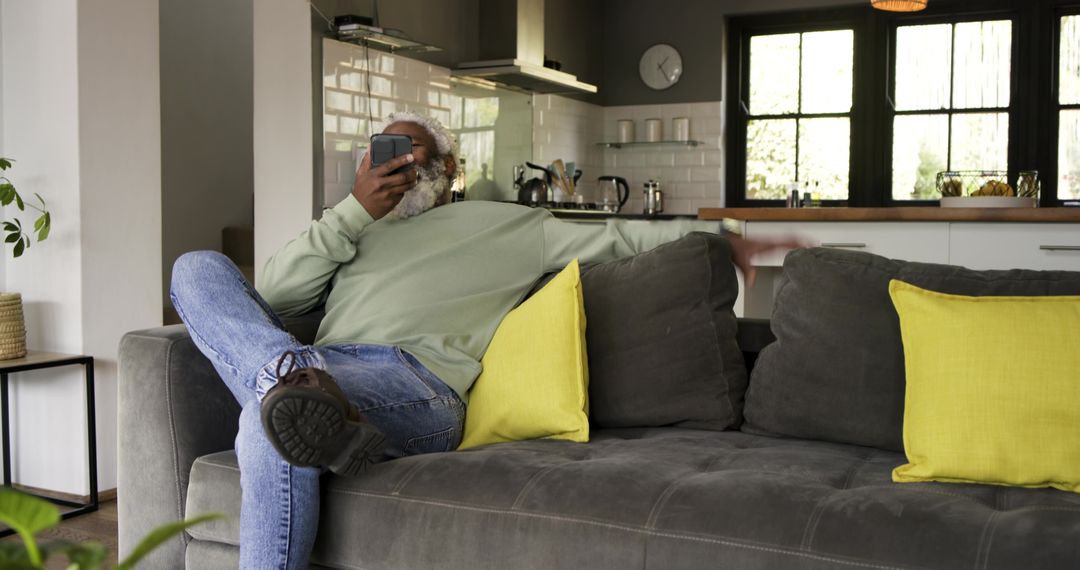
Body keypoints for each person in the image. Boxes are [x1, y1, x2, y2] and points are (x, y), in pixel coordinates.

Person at [169, 111, 800, 569]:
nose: (397, 166)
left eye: (411, 153)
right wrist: (354, 211)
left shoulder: (508, 224)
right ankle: (297, 384)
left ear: (445, 170)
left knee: (266, 420)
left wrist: (726, 238)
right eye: (383, 154)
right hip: (325, 367)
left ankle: (291, 393)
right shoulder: (352, 229)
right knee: (195, 268)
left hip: (417, 384)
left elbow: (620, 236)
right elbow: (271, 299)